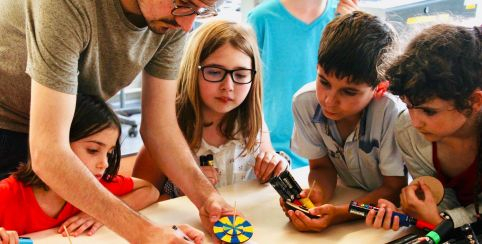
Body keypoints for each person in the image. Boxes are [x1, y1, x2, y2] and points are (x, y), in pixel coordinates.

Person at [0, 0, 234, 242]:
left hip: (71, 132)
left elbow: (160, 128)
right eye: (184, 3)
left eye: (200, 10)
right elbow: (48, 153)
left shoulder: (171, 20)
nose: (187, 25)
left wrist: (207, 199)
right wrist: (146, 233)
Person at [0, 95, 202, 242]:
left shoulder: (98, 186)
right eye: (93, 150)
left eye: (109, 153)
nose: (104, 163)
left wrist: (99, 213)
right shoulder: (7, 194)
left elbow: (149, 190)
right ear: (57, 143)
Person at [133, 20, 290, 200]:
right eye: (215, 72)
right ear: (193, 70)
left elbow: (267, 171)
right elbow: (139, 199)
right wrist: (184, 187)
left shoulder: (253, 123)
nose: (228, 86)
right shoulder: (166, 128)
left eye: (240, 75)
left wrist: (277, 165)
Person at [281, 11, 407, 232]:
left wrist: (339, 214)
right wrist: (315, 196)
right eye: (324, 81)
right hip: (349, 198)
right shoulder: (305, 102)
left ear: (380, 88)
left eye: (349, 91)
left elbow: (394, 189)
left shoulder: (391, 112)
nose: (329, 100)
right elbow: (321, 167)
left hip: (385, 218)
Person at [365, 24, 482, 230]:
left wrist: (440, 223)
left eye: (429, 111)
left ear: (474, 101)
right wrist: (412, 211)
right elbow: (442, 203)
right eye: (408, 105)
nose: (416, 121)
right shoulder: (407, 130)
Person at [247, 0, 359, 168]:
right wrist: (266, 148)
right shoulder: (262, 18)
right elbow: (245, 90)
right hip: (271, 154)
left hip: (330, 158)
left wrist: (350, 26)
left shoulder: (345, 18)